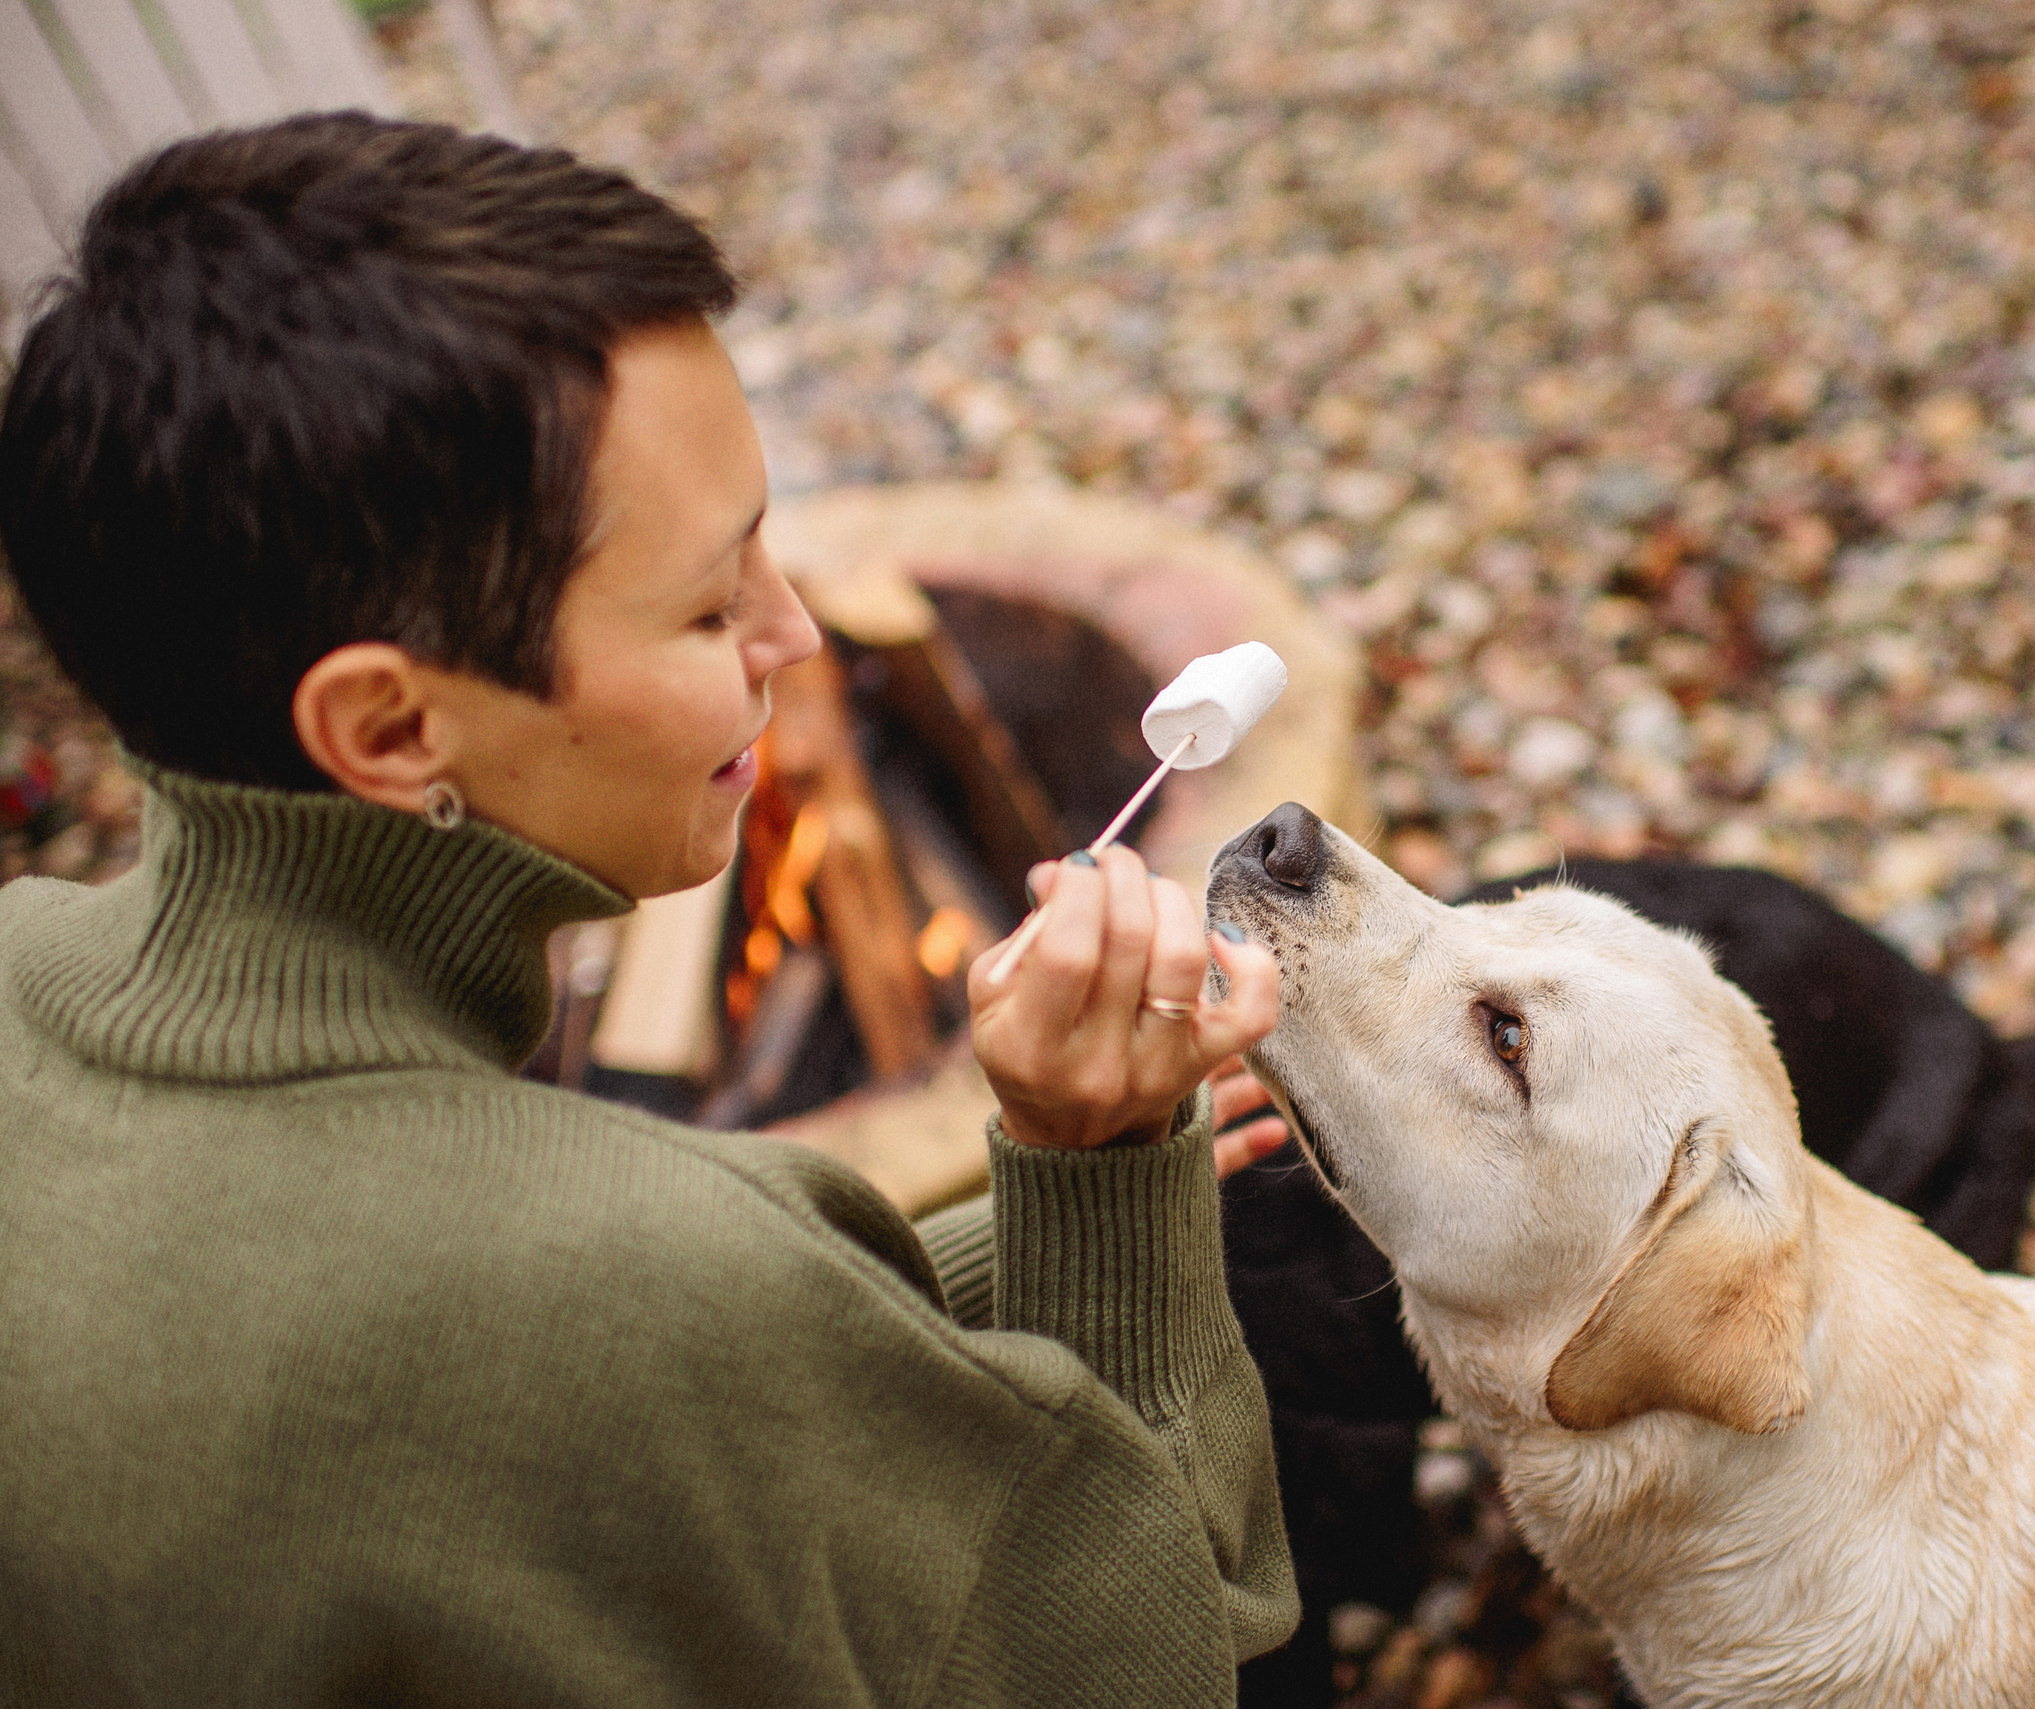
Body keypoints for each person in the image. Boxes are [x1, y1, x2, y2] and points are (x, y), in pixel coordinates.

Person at [0, 113, 1295, 1704]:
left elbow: (440, 1404)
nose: (800, 631)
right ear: (396, 729)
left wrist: (883, 1276)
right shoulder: (643, 1273)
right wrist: (1095, 1175)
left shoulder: (20, 963)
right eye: (708, 602)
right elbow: (1176, 1646)